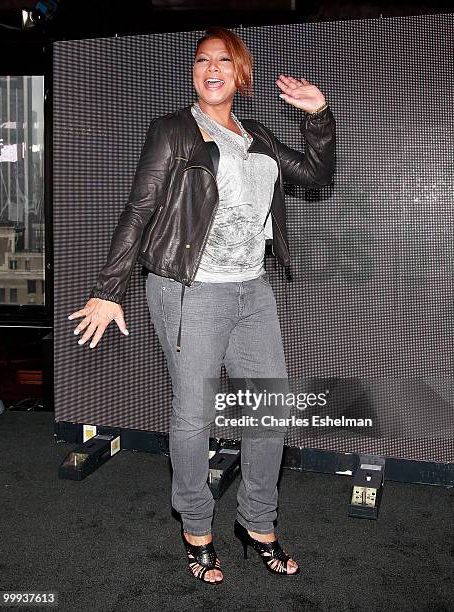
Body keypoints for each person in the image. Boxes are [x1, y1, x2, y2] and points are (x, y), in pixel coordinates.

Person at [68, 26, 336, 584]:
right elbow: (139, 209)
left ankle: (257, 522)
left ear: (242, 74)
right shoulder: (174, 131)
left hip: (252, 289)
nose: (210, 68)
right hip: (189, 290)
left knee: (271, 410)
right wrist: (107, 288)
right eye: (201, 60)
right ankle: (196, 526)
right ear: (194, 72)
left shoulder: (257, 133)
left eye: (223, 61)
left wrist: (318, 118)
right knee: (195, 416)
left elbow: (314, 176)